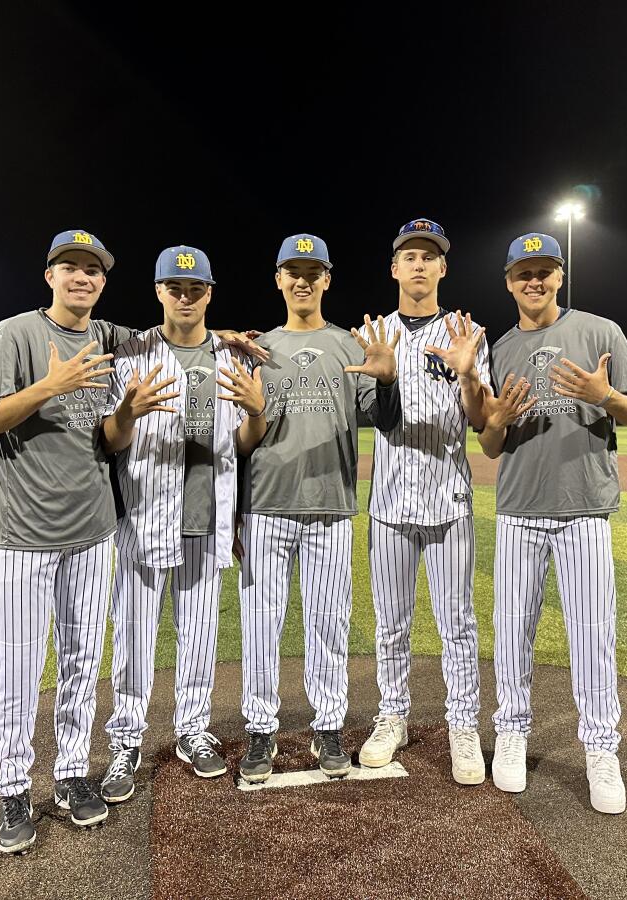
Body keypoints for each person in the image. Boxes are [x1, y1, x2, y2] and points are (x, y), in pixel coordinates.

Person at [477, 232, 627, 815]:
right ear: (508, 280)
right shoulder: (498, 348)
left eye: (544, 270)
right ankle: (511, 732)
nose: (534, 281)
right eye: (523, 272)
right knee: (512, 634)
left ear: (560, 275)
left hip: (584, 507)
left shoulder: (601, 331)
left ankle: (601, 750)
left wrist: (606, 396)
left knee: (592, 635)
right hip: (519, 510)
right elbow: (490, 444)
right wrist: (496, 420)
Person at [0, 230, 125, 854]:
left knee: (84, 662)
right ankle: (12, 787)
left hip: (93, 530)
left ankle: (69, 774)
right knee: (17, 668)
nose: (82, 277)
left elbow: (108, 437)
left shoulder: (108, 338)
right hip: (25, 538)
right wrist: (46, 388)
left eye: (93, 269)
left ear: (104, 281)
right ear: (50, 276)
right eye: (71, 267)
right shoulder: (15, 335)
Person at [98, 247, 269, 802]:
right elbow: (112, 439)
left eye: (195, 288)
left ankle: (193, 729)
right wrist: (127, 412)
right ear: (158, 291)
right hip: (146, 516)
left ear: (210, 293)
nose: (186, 296)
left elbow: (243, 444)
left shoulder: (231, 357)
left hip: (207, 517)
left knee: (199, 636)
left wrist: (258, 413)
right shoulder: (130, 354)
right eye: (176, 286)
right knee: (134, 638)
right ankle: (125, 739)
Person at [237, 234, 400, 783]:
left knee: (328, 623)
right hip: (266, 503)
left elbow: (384, 417)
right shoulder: (256, 348)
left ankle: (327, 725)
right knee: (262, 625)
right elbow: (238, 437)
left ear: (328, 279)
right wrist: (236, 509)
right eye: (293, 271)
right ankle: (261, 730)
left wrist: (389, 378)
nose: (303, 280)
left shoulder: (350, 346)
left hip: (330, 504)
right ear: (278, 279)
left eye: (314, 271)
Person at [356, 218, 489, 785]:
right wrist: (384, 381)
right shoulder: (375, 333)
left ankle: (463, 724)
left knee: (456, 622)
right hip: (389, 503)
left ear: (442, 268)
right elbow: (369, 414)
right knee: (391, 623)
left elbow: (484, 422)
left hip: (449, 500)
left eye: (428, 256)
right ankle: (394, 716)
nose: (417, 264)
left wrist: (467, 378)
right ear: (393, 268)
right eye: (407, 255)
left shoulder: (468, 331)